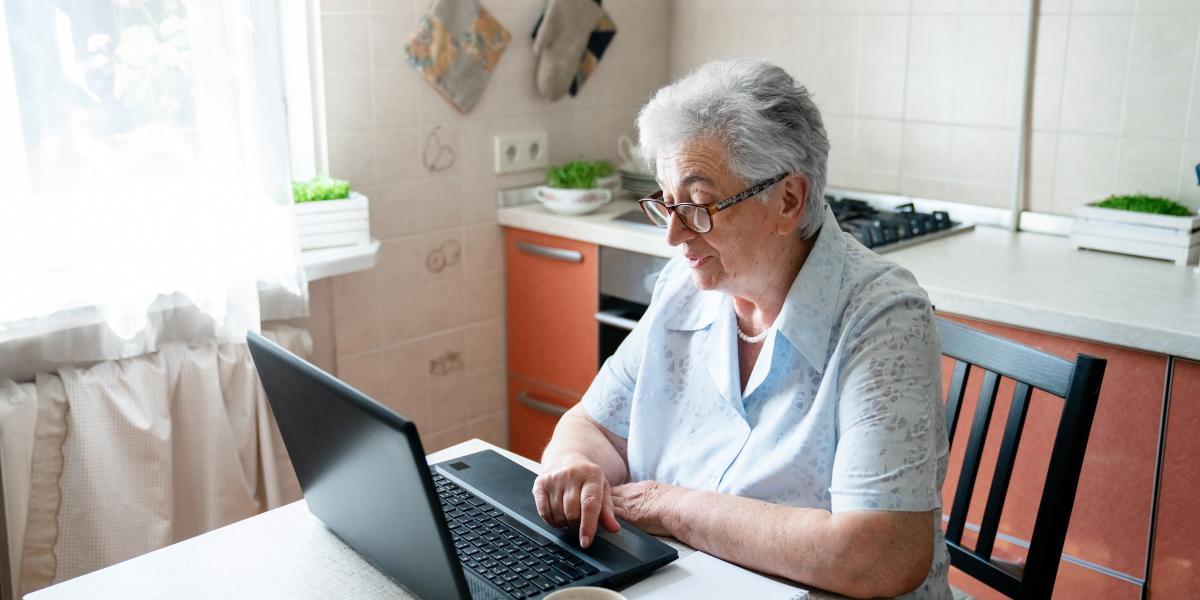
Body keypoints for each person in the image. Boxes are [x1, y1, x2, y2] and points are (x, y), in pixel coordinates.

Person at [531, 58, 951, 599]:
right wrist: (575, 466)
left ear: (788, 200)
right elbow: (593, 423)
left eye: (698, 205)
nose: (674, 235)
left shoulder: (882, 318)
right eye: (666, 203)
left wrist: (669, 507)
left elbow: (880, 556)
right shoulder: (683, 287)